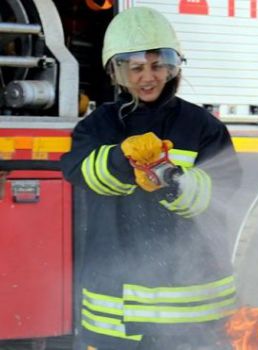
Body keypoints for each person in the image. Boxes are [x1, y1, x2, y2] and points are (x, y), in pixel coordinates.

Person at [60, 6, 242, 350]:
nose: (148, 77)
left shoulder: (204, 128)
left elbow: (220, 191)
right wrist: (120, 159)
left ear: (173, 68)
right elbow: (79, 171)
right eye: (137, 68)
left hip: (192, 313)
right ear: (117, 72)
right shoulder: (96, 127)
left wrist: (173, 181)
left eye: (158, 66)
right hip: (116, 320)